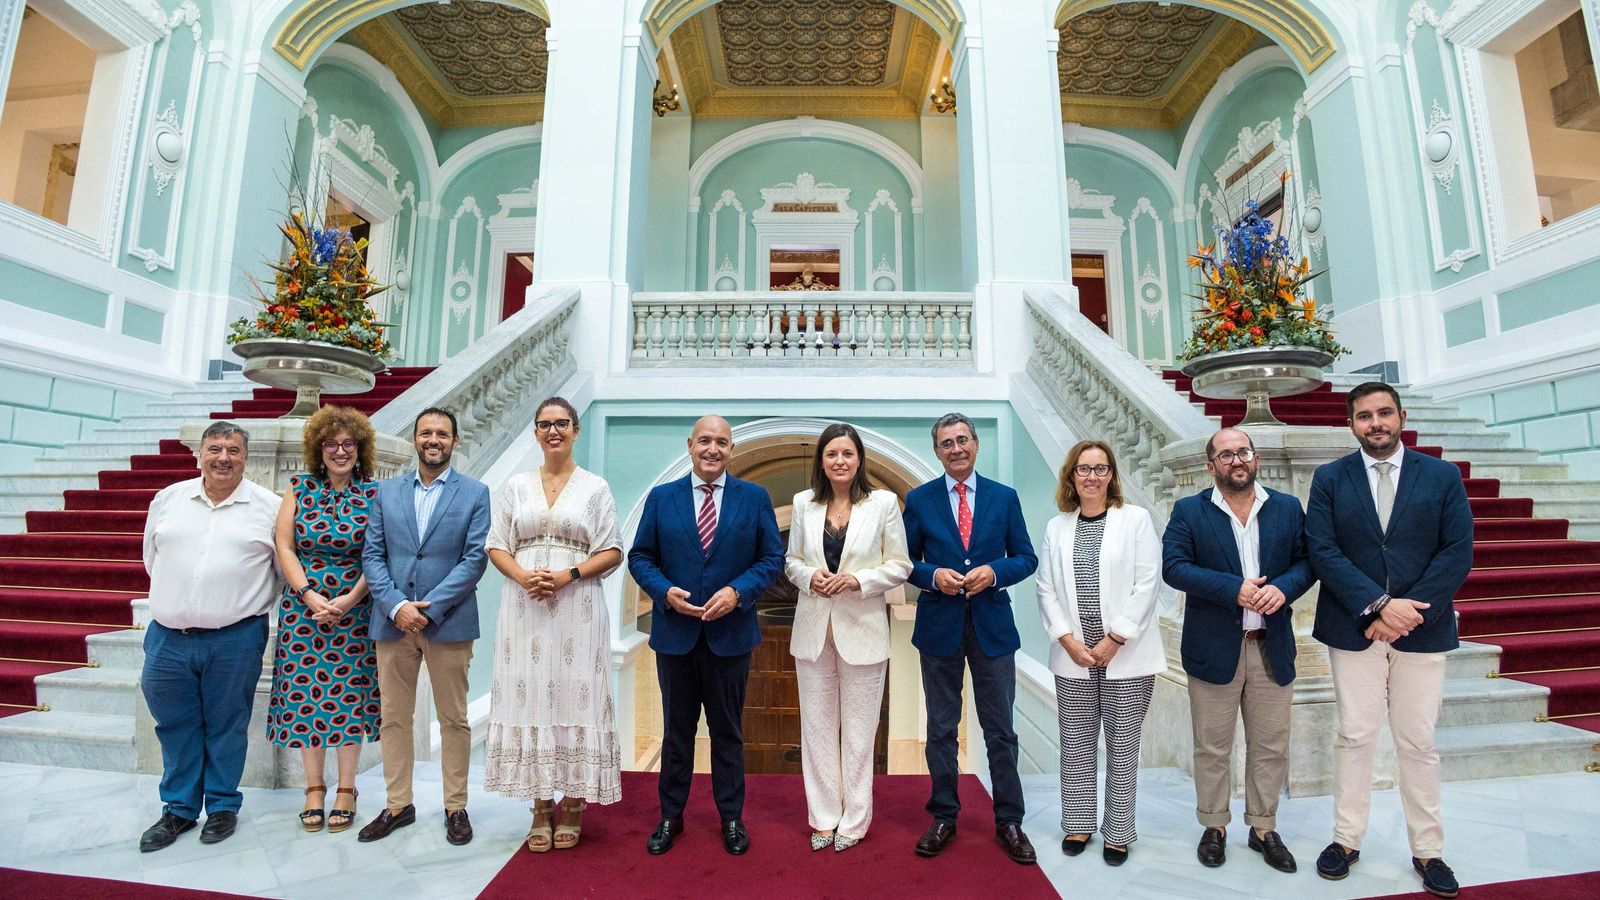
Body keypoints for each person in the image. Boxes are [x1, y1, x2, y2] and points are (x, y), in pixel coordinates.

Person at [1307, 383, 1472, 899]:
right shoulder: (1330, 478)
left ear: (1401, 416)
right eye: (1363, 416)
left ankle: (1429, 851)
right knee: (1355, 735)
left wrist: (1403, 613)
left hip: (1422, 629)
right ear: (1351, 424)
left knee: (1418, 742)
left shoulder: (1441, 476)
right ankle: (1345, 840)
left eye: (1383, 413)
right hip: (1353, 627)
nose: (1375, 423)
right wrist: (1377, 607)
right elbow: (1323, 549)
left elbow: (1456, 552)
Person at [627, 415, 784, 857]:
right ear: (690, 445)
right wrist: (663, 592)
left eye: (721, 442)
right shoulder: (662, 498)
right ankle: (670, 816)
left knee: (728, 732)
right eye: (704, 441)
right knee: (676, 733)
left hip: (730, 636)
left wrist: (738, 592)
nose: (712, 449)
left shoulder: (754, 498)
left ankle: (731, 817)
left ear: (731, 449)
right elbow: (640, 557)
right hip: (675, 635)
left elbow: (772, 558)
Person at [1161, 427, 1313, 873]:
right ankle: (1214, 825)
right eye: (1225, 455)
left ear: (1256, 458)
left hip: (1272, 646)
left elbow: (1308, 562)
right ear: (1211, 466)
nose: (1236, 460)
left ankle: (1263, 828)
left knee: (1270, 745)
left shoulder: (1286, 508)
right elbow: (1175, 567)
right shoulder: (1190, 511)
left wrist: (1283, 589)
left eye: (1242, 451)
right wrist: (1236, 590)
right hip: (1214, 648)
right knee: (1212, 746)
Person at [484, 397, 624, 853]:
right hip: (524, 606)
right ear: (536, 432)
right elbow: (497, 545)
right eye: (545, 424)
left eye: (562, 423)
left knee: (575, 694)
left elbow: (612, 549)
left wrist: (568, 575)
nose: (553, 431)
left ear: (576, 430)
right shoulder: (516, 486)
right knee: (532, 699)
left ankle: (576, 804)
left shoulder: (595, 487)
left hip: (577, 607)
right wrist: (524, 575)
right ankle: (541, 807)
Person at [138, 421, 282, 852]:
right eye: (215, 448)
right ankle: (178, 809)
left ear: (246, 457)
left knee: (227, 724)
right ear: (198, 454)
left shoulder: (269, 507)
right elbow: (152, 558)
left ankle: (221, 806)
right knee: (174, 723)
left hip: (235, 638)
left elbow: (279, 572)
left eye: (234, 450)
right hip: (167, 637)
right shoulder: (168, 500)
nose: (223, 457)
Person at [902, 412, 1039, 865]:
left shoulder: (1004, 498)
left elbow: (1025, 558)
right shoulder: (920, 500)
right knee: (940, 729)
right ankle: (944, 816)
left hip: (993, 628)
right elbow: (903, 561)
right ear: (936, 451)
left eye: (963, 440)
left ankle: (1009, 821)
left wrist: (996, 572)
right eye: (946, 443)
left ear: (976, 444)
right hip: (938, 627)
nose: (956, 448)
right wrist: (930, 574)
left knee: (1000, 730)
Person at [358, 407, 491, 846]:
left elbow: (474, 560)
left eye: (442, 434)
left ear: (455, 441)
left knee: (454, 719)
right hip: (392, 623)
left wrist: (428, 610)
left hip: (448, 624)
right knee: (394, 719)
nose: (433, 440)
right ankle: (399, 804)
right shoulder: (385, 493)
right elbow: (373, 556)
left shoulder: (475, 493)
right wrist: (397, 606)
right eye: (426, 433)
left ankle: (456, 806)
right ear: (415, 439)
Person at [783, 423, 911, 852]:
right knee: (817, 729)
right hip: (813, 631)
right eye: (832, 453)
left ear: (860, 460)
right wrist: (809, 576)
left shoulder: (884, 503)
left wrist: (858, 580)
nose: (840, 460)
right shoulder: (803, 503)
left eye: (848, 453)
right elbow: (792, 562)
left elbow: (900, 565)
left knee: (859, 733)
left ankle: (854, 822)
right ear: (821, 460)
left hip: (864, 628)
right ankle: (823, 819)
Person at [1034, 440, 1162, 866]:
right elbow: (1045, 588)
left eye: (1100, 468)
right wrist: (1066, 639)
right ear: (1071, 476)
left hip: (1125, 656)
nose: (1092, 476)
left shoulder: (1136, 520)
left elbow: (1147, 584)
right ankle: (1078, 823)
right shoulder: (1057, 527)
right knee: (1075, 743)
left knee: (1123, 746)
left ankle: (1119, 832)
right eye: (1083, 469)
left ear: (1111, 475)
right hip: (1072, 656)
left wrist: (1115, 639)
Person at [266, 406, 382, 835]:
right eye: (331, 444)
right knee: (306, 700)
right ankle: (314, 789)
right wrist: (308, 594)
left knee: (348, 699)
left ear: (360, 449)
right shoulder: (298, 486)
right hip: (304, 611)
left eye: (348, 444)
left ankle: (346, 790)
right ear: (319, 448)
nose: (339, 451)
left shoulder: (374, 494)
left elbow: (380, 552)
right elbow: (284, 544)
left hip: (354, 610)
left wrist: (351, 599)